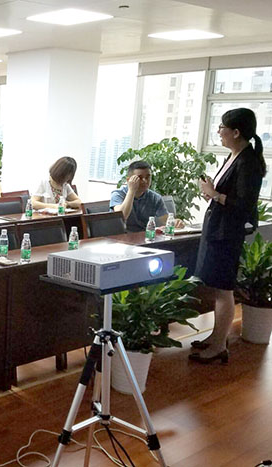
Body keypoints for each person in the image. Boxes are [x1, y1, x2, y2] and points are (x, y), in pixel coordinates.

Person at [190, 108, 266, 364]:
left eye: (222, 127)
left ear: (236, 132)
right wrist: (212, 192)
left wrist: (215, 194)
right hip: (216, 229)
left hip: (227, 233)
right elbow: (225, 195)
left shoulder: (248, 162)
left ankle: (219, 346)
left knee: (223, 289)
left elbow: (243, 204)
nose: (219, 132)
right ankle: (216, 336)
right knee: (216, 287)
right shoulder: (233, 156)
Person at [110, 160, 184, 232]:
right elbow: (122, 216)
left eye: (148, 177)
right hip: (119, 236)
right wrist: (131, 191)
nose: (145, 181)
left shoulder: (155, 198)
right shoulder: (118, 194)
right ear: (129, 180)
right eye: (139, 178)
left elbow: (165, 220)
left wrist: (175, 222)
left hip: (143, 236)